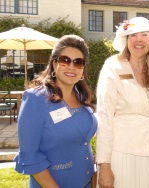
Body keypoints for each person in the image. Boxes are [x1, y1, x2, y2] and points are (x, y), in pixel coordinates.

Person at [95, 17, 149, 188]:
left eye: (144, 35)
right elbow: (104, 116)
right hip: (121, 154)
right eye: (133, 35)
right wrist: (104, 164)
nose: (139, 40)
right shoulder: (113, 66)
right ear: (126, 40)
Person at [14, 34, 97, 188]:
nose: (72, 66)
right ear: (54, 63)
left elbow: (81, 139)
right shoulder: (35, 99)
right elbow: (30, 156)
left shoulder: (81, 96)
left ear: (83, 69)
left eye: (78, 62)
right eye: (65, 60)